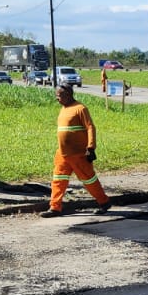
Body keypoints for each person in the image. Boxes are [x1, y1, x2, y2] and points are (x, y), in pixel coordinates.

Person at [42, 83, 112, 217]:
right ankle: (55, 208)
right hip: (62, 154)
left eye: (59, 95)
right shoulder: (63, 109)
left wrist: (91, 148)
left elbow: (90, 127)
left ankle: (104, 202)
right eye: (56, 95)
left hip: (78, 154)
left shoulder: (80, 108)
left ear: (68, 95)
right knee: (58, 180)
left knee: (89, 180)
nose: (57, 98)